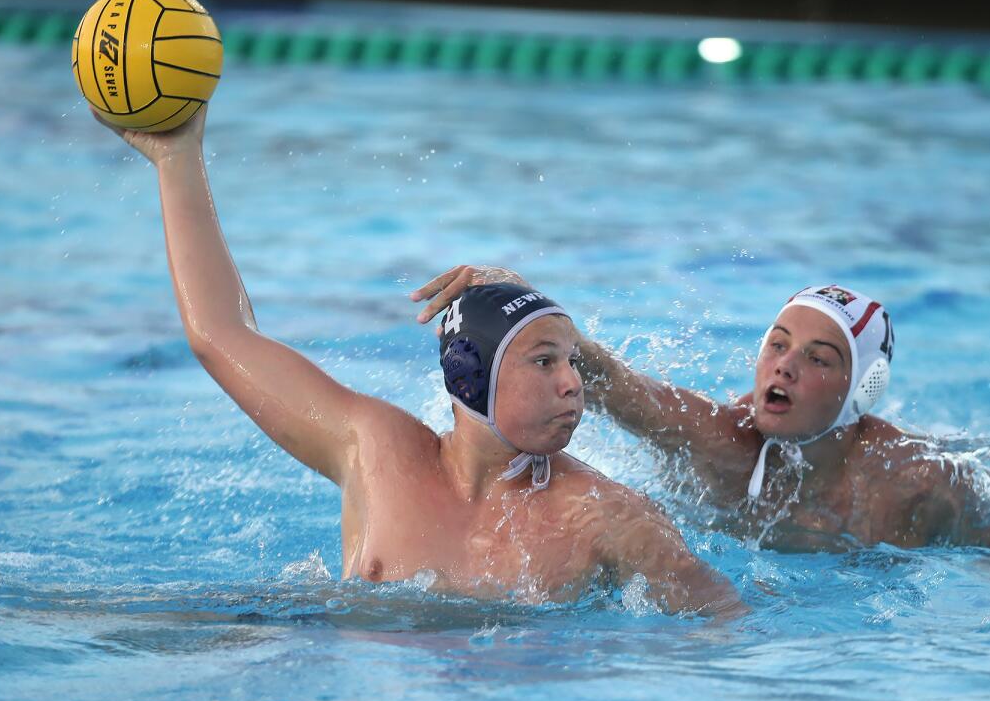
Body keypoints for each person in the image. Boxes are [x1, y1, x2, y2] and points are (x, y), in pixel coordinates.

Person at [94, 109, 743, 615]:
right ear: (471, 372)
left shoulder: (606, 517)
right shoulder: (375, 451)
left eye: (573, 362)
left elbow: (725, 624)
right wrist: (176, 158)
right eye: (544, 363)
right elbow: (220, 335)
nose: (574, 383)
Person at [413, 266, 990, 552]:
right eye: (777, 346)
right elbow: (617, 385)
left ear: (862, 388)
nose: (783, 367)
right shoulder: (724, 440)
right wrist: (528, 306)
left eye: (818, 358)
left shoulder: (913, 482)